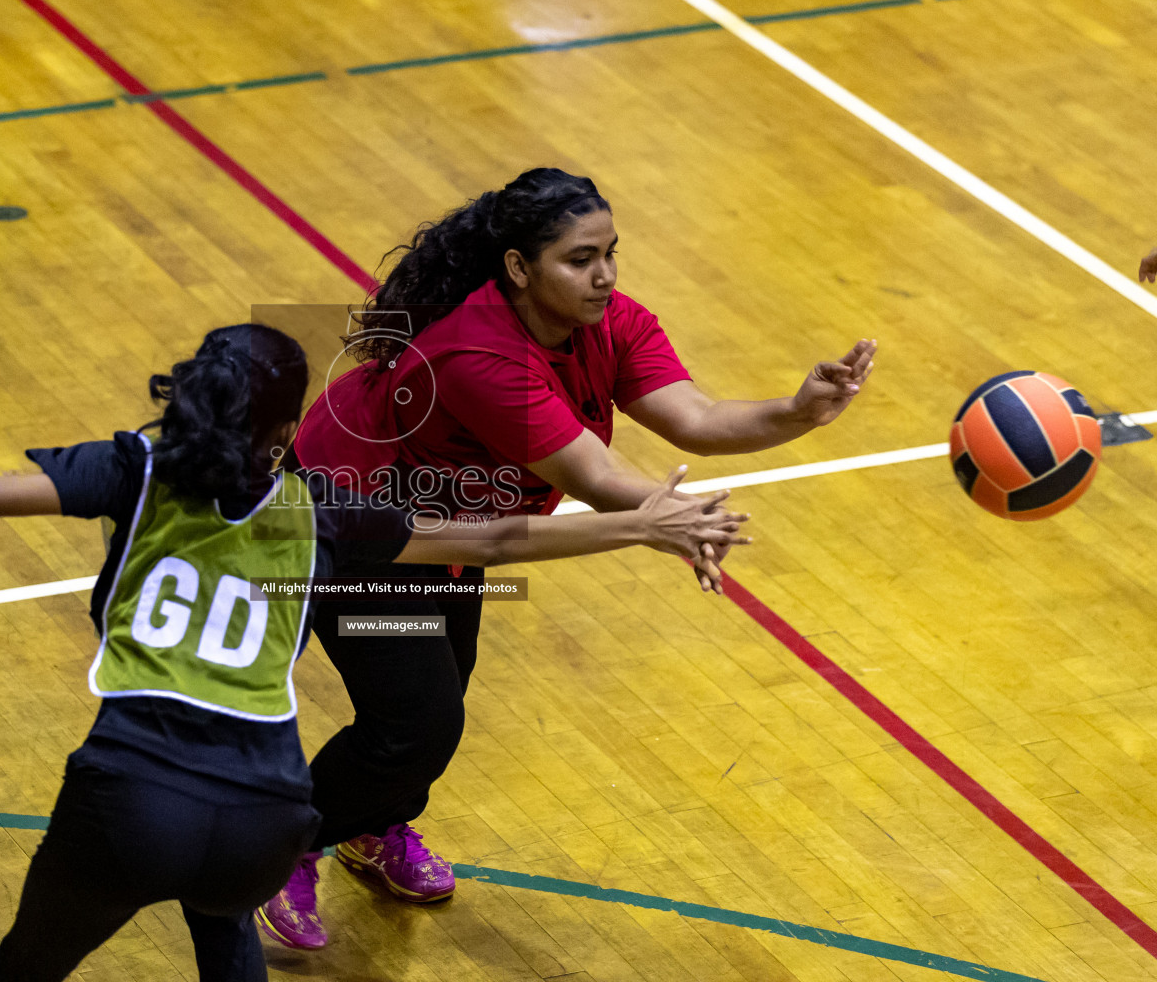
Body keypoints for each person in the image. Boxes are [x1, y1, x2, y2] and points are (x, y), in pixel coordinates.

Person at [0, 322, 747, 982]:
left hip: (133, 792)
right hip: (269, 811)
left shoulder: (131, 469)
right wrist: (646, 523)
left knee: (23, 970)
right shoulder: (326, 504)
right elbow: (502, 537)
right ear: (282, 430)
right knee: (222, 920)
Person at [258, 169, 875, 949]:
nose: (606, 275)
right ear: (520, 268)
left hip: (451, 521)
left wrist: (796, 411)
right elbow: (594, 478)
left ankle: (369, 828)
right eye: (581, 259)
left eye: (611, 252)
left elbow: (696, 415)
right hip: (353, 529)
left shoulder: (608, 322)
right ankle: (278, 849)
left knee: (440, 695)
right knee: (417, 721)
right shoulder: (479, 357)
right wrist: (672, 519)